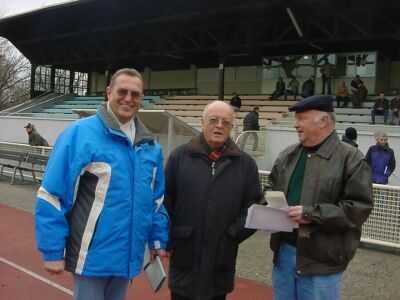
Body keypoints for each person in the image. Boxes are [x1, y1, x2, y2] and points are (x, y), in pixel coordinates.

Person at [35, 68, 169, 300]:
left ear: (141, 98)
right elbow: (52, 194)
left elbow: (155, 201)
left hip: (128, 256)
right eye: (122, 91)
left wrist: (157, 239)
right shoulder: (79, 134)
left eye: (135, 94)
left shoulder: (151, 147)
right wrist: (52, 250)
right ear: (108, 93)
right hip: (92, 256)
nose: (128, 98)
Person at [268, 95, 373, 300]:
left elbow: (359, 208)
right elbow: (270, 185)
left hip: (322, 261)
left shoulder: (351, 158)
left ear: (324, 121)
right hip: (284, 254)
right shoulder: (287, 155)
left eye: (301, 118)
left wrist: (312, 214)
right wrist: (268, 208)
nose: (296, 124)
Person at [164, 100, 263, 300]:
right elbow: (165, 200)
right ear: (202, 122)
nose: (219, 125)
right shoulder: (179, 157)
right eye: (214, 120)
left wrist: (232, 234)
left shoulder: (246, 164)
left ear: (232, 127)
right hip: (185, 255)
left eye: (226, 122)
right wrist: (169, 236)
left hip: (221, 257)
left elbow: (253, 207)